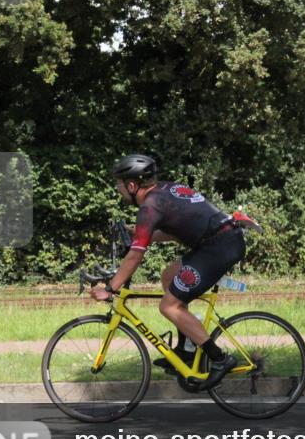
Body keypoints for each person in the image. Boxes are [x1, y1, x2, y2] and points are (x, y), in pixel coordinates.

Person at [89, 154, 245, 387]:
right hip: (218, 241)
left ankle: (220, 359)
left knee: (169, 305)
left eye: (120, 184)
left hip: (219, 247)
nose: (118, 189)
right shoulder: (163, 192)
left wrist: (111, 289)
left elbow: (135, 255)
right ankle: (186, 350)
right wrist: (140, 233)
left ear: (132, 185)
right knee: (168, 277)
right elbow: (175, 231)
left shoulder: (150, 207)